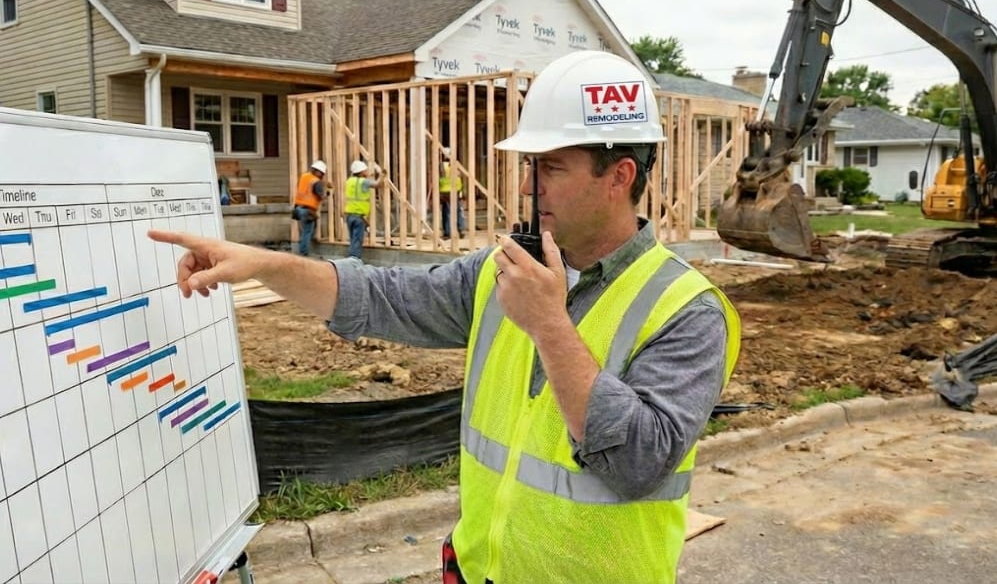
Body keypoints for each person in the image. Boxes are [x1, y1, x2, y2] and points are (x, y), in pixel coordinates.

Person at [148, 50, 740, 583]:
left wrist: (551, 326)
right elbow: (383, 297)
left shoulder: (686, 310)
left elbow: (640, 463)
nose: (529, 186)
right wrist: (262, 263)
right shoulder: (499, 270)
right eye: (529, 166)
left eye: (551, 168)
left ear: (619, 176)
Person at [344, 159, 383, 260]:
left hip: (349, 216)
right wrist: (382, 175)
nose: (367, 172)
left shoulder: (349, 181)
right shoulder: (364, 182)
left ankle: (350, 261)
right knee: (357, 242)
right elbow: (378, 184)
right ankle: (354, 263)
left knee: (352, 240)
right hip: (358, 217)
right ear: (361, 172)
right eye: (365, 171)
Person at [292, 160, 326, 256]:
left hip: (298, 208)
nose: (322, 175)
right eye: (322, 173)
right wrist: (326, 194)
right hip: (308, 210)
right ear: (317, 171)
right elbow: (320, 195)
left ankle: (312, 239)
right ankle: (303, 253)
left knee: (308, 229)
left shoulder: (304, 177)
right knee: (307, 232)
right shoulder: (316, 181)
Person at [439, 147, 467, 239]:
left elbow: (438, 177)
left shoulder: (442, 165)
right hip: (456, 190)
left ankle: (448, 232)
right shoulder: (456, 164)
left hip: (445, 191)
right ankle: (461, 229)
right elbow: (460, 176)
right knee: (458, 210)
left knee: (447, 212)